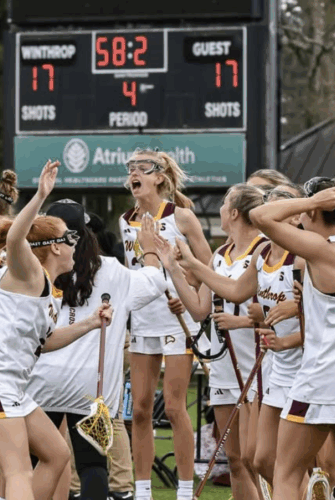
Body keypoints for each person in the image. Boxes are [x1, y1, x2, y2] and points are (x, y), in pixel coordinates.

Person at [0, 160, 132, 500]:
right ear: (55, 247)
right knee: (18, 471)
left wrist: (89, 324)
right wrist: (41, 195)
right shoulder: (30, 273)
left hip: (10, 387)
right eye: (72, 238)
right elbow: (16, 236)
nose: (78, 245)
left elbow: (45, 342)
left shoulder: (49, 289)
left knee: (57, 456)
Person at [26, 198, 188, 500]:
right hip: (91, 384)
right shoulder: (112, 270)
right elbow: (153, 283)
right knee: (92, 465)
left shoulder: (33, 271)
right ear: (87, 234)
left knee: (34, 463)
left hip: (40, 378)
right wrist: (149, 248)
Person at [250, 176, 335, 500]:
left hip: (322, 380)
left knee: (285, 473)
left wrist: (310, 201)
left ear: (317, 212)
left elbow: (260, 217)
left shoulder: (327, 251)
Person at [176, 184, 306, 489]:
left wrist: (244, 321)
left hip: (269, 364)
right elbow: (206, 305)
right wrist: (174, 265)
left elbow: (311, 313)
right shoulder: (235, 254)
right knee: (244, 459)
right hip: (243, 365)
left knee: (269, 458)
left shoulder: (292, 255)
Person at [118, 149, 212, 500]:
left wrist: (187, 295)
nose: (133, 174)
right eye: (130, 169)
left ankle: (184, 491)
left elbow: (209, 266)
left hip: (177, 320)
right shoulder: (126, 219)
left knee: (174, 406)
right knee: (140, 408)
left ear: (159, 176)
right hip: (142, 321)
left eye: (142, 168)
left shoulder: (181, 217)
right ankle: (142, 490)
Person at [170, 183, 267, 500]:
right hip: (225, 363)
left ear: (235, 212)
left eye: (225, 203)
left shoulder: (265, 249)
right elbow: (199, 310)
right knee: (237, 460)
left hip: (259, 365)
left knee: (260, 459)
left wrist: (241, 320)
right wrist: (172, 267)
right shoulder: (220, 255)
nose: (222, 208)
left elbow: (267, 305)